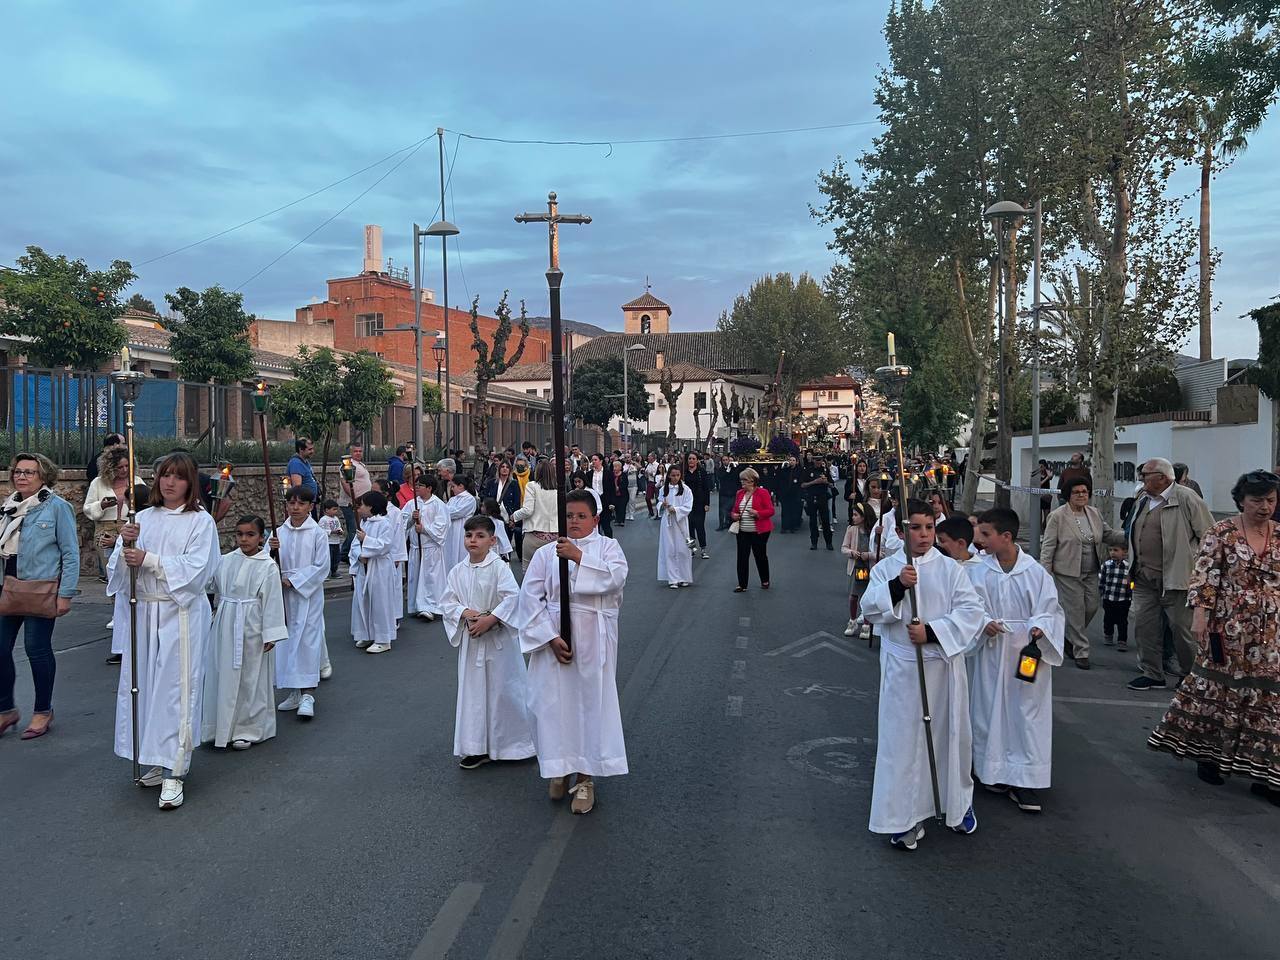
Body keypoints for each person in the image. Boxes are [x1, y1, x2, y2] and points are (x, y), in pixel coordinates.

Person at [861, 498, 987, 848]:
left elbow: (972, 612)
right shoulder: (888, 568)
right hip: (903, 669)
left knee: (950, 736)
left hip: (942, 667)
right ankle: (903, 818)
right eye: (915, 528)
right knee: (902, 743)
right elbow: (868, 609)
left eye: (930, 527)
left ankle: (955, 805)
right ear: (901, 532)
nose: (924, 535)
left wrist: (932, 632)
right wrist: (899, 586)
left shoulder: (950, 569)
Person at [1148, 470, 1280, 802]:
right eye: (1257, 500)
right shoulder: (1220, 533)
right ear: (1241, 501)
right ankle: (1209, 756)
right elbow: (1205, 576)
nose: (1264, 507)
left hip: (1272, 633)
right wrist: (1200, 616)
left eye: (1270, 500)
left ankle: (1264, 773)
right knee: (1218, 691)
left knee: (1268, 699)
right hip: (1228, 627)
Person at [108, 452, 220, 809]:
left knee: (175, 688)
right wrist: (124, 544)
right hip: (146, 612)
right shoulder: (141, 518)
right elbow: (119, 574)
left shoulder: (200, 523)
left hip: (180, 614)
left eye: (177, 476)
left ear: (191, 483)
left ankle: (175, 770)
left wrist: (150, 560)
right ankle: (154, 757)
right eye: (163, 476)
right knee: (146, 687)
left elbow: (199, 570)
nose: (169, 482)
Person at [516, 490, 629, 815]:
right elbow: (530, 597)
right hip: (554, 639)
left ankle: (585, 777)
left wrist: (579, 558)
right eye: (569, 516)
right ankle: (558, 767)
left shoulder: (608, 548)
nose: (574, 522)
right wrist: (550, 637)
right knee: (550, 705)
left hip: (593, 638)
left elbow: (615, 578)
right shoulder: (546, 553)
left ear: (595, 519)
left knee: (587, 706)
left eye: (581, 516)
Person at [968, 507, 1067, 815]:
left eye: (986, 534)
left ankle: (1025, 778)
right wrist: (983, 621)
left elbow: (1050, 609)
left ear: (1006, 537)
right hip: (991, 650)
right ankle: (991, 770)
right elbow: (968, 606)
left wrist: (1040, 626)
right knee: (988, 709)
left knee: (1026, 713)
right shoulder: (978, 571)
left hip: (1026, 654)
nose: (979, 541)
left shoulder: (1035, 573)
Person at [441, 514, 536, 769]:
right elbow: (447, 602)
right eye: (469, 535)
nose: (473, 540)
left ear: (492, 540)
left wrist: (491, 619)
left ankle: (516, 745)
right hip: (473, 645)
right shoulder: (457, 571)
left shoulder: (499, 568)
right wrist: (464, 613)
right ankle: (476, 747)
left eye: (480, 536)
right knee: (473, 694)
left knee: (504, 691)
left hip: (498, 643)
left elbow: (512, 598)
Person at [0, 453, 80, 741]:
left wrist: (66, 594)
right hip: (8, 588)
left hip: (40, 588)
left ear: (43, 476)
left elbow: (70, 553)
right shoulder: (8, 508)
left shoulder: (58, 508)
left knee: (36, 649)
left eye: (29, 472)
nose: (21, 476)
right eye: (18, 472)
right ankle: (6, 709)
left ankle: (43, 710)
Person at [200, 516, 289, 751]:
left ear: (261, 537)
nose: (244, 539)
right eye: (239, 534)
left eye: (250, 535)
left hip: (252, 626)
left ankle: (248, 727)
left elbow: (272, 601)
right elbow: (210, 584)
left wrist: (270, 632)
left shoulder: (268, 566)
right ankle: (219, 727)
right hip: (226, 621)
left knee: (251, 677)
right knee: (222, 673)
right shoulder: (226, 560)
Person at [1125, 457, 1215, 691]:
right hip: (1144, 578)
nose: (1141, 479)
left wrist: (1197, 566)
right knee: (1145, 628)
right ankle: (1152, 673)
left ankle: (1191, 675)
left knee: (1182, 632)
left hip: (1176, 580)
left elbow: (1209, 536)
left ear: (1163, 478)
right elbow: (1132, 531)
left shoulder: (1186, 498)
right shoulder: (1143, 499)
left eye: (1145, 475)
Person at [1040, 478, 1109, 669]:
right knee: (1076, 611)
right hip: (1067, 571)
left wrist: (1132, 534)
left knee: (1092, 607)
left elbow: (1107, 534)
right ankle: (1081, 651)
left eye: (1084, 491)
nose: (1081, 495)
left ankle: (1070, 638)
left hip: (1091, 570)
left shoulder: (1093, 513)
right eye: (1076, 492)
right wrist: (1044, 573)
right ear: (1068, 495)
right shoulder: (1058, 516)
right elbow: (1048, 545)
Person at [272, 486, 329, 716]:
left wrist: (294, 580)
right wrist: (269, 553)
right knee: (286, 642)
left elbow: (321, 566)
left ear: (310, 507)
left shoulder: (317, 534)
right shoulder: (278, 533)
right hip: (283, 596)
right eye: (291, 503)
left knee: (307, 640)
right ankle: (293, 690)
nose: (295, 508)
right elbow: (267, 563)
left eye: (301, 504)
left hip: (307, 595)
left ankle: (308, 694)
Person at [349, 490, 397, 655]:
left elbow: (386, 544)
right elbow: (354, 545)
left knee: (379, 601)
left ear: (372, 506)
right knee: (364, 600)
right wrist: (360, 555)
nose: (359, 508)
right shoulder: (365, 523)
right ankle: (367, 633)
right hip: (365, 566)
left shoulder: (385, 523)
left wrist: (366, 542)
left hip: (380, 568)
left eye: (362, 504)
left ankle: (383, 639)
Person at [405, 474, 448, 621]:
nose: (417, 488)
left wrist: (424, 529)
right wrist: (411, 518)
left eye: (420, 485)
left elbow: (441, 526)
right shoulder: (412, 504)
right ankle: (417, 605)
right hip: (416, 548)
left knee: (430, 578)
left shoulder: (438, 505)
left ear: (429, 488)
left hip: (431, 548)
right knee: (416, 577)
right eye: (416, 485)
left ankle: (430, 606)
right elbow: (401, 522)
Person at [731, 467, 774, 593]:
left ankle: (765, 580)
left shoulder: (763, 492)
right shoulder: (739, 493)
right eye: (741, 480)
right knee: (742, 557)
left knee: (760, 556)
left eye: (744, 480)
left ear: (752, 481)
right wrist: (733, 515)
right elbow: (734, 510)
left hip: (759, 531)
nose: (742, 482)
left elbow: (771, 510)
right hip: (743, 530)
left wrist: (757, 513)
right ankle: (742, 584)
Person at [511, 459, 561, 559]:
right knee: (553, 571)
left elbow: (528, 510)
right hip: (555, 535)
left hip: (535, 534)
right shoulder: (558, 489)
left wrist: (514, 516)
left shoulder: (532, 486)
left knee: (529, 571)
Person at [657, 464, 694, 589]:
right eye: (673, 475)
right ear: (668, 476)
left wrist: (676, 510)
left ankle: (684, 577)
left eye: (678, 475)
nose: (675, 478)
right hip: (667, 523)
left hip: (681, 521)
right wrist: (663, 505)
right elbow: (659, 501)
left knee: (683, 549)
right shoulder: (664, 489)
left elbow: (688, 506)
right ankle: (673, 578)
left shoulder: (686, 489)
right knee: (669, 549)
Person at [841, 501, 874, 637]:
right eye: (853, 515)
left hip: (870, 567)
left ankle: (867, 623)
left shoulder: (872, 531)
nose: (853, 517)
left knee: (867, 596)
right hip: (857, 567)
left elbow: (881, 551)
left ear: (863, 516)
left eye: (856, 515)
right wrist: (852, 552)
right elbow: (844, 548)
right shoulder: (851, 530)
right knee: (854, 596)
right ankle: (853, 620)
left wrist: (869, 555)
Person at [338, 443, 372, 565]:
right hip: (351, 503)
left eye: (360, 451)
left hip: (363, 502)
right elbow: (345, 482)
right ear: (351, 452)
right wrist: (354, 499)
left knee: (359, 527)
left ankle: (347, 551)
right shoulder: (347, 464)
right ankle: (345, 553)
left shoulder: (360, 465)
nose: (358, 453)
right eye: (356, 451)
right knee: (353, 528)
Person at [1099, 542, 1132, 651]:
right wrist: (1100, 593)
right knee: (1108, 617)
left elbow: (1132, 582)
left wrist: (1131, 590)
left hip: (1124, 598)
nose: (1112, 553)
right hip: (1109, 597)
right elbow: (1102, 580)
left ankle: (1122, 640)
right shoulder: (1106, 565)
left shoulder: (1128, 566)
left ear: (1125, 551)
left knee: (1122, 620)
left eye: (1116, 550)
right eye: (1111, 550)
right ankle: (1108, 634)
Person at [443, 475, 478, 571]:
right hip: (451, 531)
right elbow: (445, 511)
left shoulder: (470, 499)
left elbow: (457, 512)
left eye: (453, 486)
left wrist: (446, 511)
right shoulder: (452, 499)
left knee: (461, 554)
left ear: (461, 486)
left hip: (462, 530)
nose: (452, 489)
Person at [802, 456, 835, 550]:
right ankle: (814, 542)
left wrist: (827, 482)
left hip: (822, 497)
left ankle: (829, 542)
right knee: (812, 521)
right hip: (811, 497)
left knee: (825, 521)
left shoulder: (825, 470)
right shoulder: (808, 470)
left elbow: (832, 485)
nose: (818, 462)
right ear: (813, 460)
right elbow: (803, 484)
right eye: (816, 460)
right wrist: (815, 482)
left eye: (820, 460)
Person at [684, 452, 711, 558]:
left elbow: (706, 489)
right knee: (688, 528)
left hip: (699, 503)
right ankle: (691, 549)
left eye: (693, 458)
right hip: (687, 504)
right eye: (689, 458)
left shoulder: (702, 472)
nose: (691, 460)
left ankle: (703, 549)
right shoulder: (684, 472)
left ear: (697, 460)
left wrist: (707, 503)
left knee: (700, 526)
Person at [318, 499, 344, 579]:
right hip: (328, 542)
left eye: (336, 509)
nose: (336, 511)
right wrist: (331, 532)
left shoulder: (336, 519)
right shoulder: (323, 519)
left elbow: (339, 527)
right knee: (328, 558)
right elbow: (320, 531)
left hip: (336, 541)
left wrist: (340, 531)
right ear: (327, 510)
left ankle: (334, 571)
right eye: (334, 509)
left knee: (336, 558)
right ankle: (325, 573)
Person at [778, 455, 804, 534]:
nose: (791, 462)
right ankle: (784, 527)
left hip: (795, 493)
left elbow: (801, 482)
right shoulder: (784, 470)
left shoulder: (800, 471)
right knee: (785, 511)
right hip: (785, 494)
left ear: (796, 462)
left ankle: (793, 527)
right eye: (790, 460)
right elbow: (781, 482)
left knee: (794, 511)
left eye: (793, 460)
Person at [715, 454, 740, 531]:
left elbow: (737, 477)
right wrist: (727, 471)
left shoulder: (734, 468)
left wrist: (736, 467)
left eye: (727, 460)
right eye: (724, 460)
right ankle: (721, 524)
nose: (725, 461)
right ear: (722, 461)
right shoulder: (720, 469)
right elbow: (720, 477)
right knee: (722, 509)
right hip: (724, 492)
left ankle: (730, 523)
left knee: (732, 508)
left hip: (732, 491)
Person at [604, 460, 629, 532]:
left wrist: (619, 488)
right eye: (614, 466)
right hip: (614, 494)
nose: (615, 468)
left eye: (616, 466)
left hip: (623, 494)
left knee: (622, 507)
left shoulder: (623, 475)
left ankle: (621, 521)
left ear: (620, 467)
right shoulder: (611, 475)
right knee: (616, 506)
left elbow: (625, 484)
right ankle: (617, 519)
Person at [644, 452, 660, 519]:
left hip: (656, 483)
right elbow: (646, 474)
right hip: (650, 482)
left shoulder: (658, 465)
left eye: (649, 456)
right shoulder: (648, 465)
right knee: (647, 498)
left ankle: (658, 514)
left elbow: (658, 474)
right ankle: (651, 512)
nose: (648, 457)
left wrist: (651, 473)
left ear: (653, 458)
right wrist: (645, 473)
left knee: (657, 499)